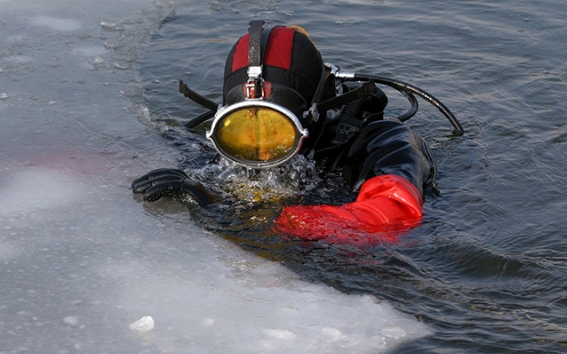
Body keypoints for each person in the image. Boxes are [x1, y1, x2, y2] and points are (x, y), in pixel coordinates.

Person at [132, 21, 462, 245]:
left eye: (276, 130)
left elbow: (395, 215)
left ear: (309, 116)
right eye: (242, 131)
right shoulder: (220, 147)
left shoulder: (385, 142)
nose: (259, 153)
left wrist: (229, 214)